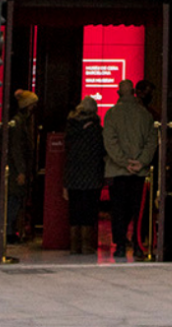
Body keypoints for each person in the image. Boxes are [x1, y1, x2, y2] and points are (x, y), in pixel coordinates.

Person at [103, 79, 157, 259]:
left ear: (118, 93)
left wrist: (124, 162)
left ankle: (119, 246)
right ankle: (138, 245)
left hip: (117, 172)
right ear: (134, 92)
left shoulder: (111, 114)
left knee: (118, 210)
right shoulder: (145, 115)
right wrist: (140, 162)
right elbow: (152, 141)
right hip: (139, 173)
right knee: (138, 211)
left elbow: (110, 142)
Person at [64, 96, 105, 255]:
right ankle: (86, 245)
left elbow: (68, 152)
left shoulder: (71, 127)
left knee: (75, 211)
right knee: (88, 211)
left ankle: (74, 246)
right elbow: (101, 151)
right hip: (91, 175)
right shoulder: (95, 129)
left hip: (73, 175)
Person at [5, 89, 38, 243]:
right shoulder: (18, 124)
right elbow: (16, 149)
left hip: (19, 169)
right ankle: (8, 231)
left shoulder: (23, 122)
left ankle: (12, 230)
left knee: (17, 199)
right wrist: (21, 171)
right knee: (14, 199)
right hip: (15, 171)